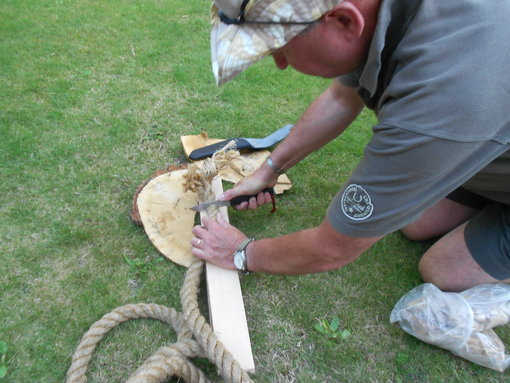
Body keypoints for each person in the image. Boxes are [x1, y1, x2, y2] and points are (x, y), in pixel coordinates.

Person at [191, 0, 510, 292]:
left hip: (468, 122)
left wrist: (240, 253)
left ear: (344, 21)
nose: (279, 64)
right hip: (487, 149)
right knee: (414, 223)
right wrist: (270, 169)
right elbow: (342, 97)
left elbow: (333, 248)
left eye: (282, 49)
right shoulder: (376, 16)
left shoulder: (441, 97)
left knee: (444, 270)